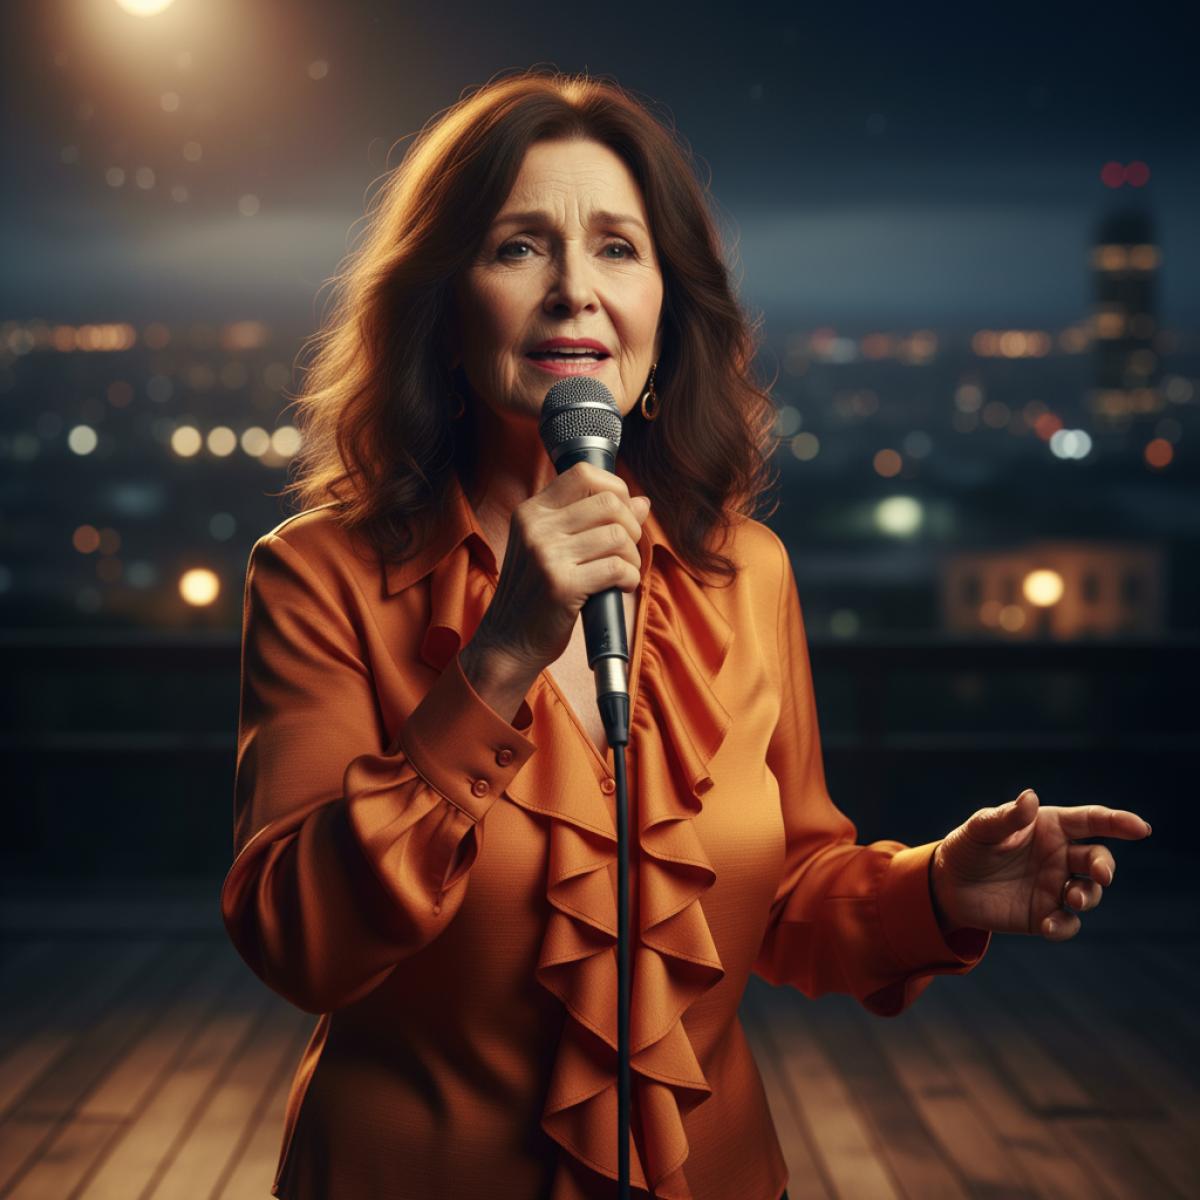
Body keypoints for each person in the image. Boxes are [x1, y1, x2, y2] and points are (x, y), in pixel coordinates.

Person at [219, 68, 1152, 1200]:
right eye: (518, 247)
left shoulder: (748, 573)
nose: (575, 293)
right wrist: (502, 655)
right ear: (441, 302)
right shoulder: (319, 576)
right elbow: (296, 940)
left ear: (668, 305)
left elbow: (789, 889)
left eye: (618, 248)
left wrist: (940, 891)